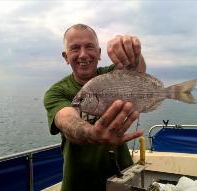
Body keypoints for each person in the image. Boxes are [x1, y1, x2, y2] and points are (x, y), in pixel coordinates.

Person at [44, 24, 146, 191]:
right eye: (75, 48)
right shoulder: (57, 92)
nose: (83, 54)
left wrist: (133, 54)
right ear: (65, 56)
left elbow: (137, 73)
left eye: (89, 46)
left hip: (123, 178)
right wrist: (91, 133)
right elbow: (66, 119)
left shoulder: (112, 76)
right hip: (78, 184)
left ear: (99, 53)